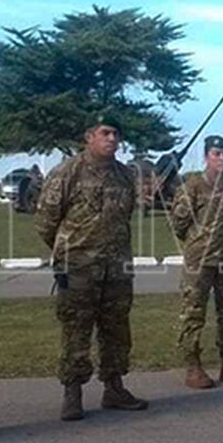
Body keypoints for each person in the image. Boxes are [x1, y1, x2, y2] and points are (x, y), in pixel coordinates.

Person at [35, 116, 149, 420]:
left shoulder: (124, 175)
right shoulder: (67, 172)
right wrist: (69, 252)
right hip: (79, 269)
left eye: (116, 134)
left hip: (117, 268)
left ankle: (114, 387)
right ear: (89, 136)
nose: (112, 139)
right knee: (76, 331)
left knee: (117, 329)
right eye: (105, 133)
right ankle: (72, 392)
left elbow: (125, 217)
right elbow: (46, 221)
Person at [169, 135, 223, 389]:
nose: (222, 158)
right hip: (200, 262)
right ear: (206, 156)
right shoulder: (192, 186)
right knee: (193, 314)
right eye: (217, 153)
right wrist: (199, 243)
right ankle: (193, 367)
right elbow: (179, 224)